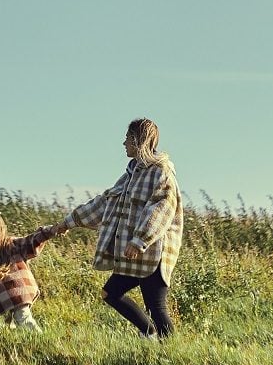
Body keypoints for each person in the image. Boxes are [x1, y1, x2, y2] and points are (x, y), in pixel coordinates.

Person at [52, 118, 183, 339]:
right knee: (110, 293)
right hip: (131, 255)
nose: (123, 143)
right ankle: (149, 333)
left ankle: (172, 353)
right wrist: (67, 223)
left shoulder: (160, 173)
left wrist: (140, 240)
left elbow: (161, 209)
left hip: (152, 253)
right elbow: (102, 204)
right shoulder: (129, 176)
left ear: (137, 140)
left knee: (156, 308)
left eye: (127, 138)